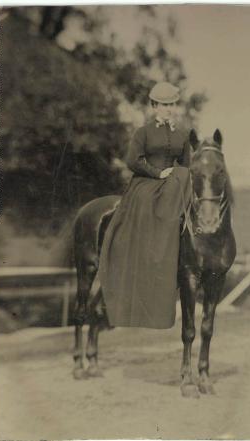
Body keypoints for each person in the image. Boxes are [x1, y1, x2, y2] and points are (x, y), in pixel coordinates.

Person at [97, 81, 192, 329]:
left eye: (172, 104)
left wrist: (175, 174)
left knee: (185, 178)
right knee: (169, 185)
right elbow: (132, 161)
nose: (169, 109)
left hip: (173, 187)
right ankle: (155, 244)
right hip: (147, 184)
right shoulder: (144, 133)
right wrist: (159, 173)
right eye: (163, 105)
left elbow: (186, 165)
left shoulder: (182, 134)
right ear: (154, 106)